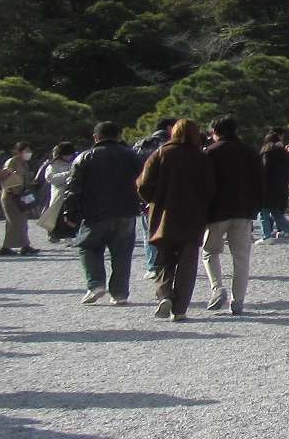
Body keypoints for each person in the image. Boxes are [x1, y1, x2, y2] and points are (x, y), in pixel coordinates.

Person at [137, 118, 215, 322]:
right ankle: (180, 309)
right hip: (193, 216)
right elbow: (210, 189)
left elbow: (143, 184)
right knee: (188, 263)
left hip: (164, 215)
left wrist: (154, 199)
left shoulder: (161, 153)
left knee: (164, 259)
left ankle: (164, 294)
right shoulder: (202, 157)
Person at [70, 121, 143, 305]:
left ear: (96, 137)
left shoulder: (84, 157)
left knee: (88, 247)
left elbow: (73, 189)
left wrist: (70, 213)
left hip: (95, 211)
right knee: (122, 252)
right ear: (119, 136)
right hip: (126, 210)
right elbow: (144, 181)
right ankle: (119, 293)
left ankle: (95, 284)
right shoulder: (132, 156)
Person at [201, 116, 264, 315]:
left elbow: (205, 184)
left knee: (210, 252)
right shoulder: (250, 152)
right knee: (241, 257)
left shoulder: (210, 153)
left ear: (215, 132)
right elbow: (260, 182)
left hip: (217, 211)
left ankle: (217, 288)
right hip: (243, 211)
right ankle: (238, 302)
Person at [134, 117, 174, 282]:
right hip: (169, 195)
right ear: (170, 127)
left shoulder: (140, 145)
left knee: (148, 231)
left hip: (146, 196)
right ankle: (168, 264)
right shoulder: (171, 146)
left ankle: (152, 265)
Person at [0, 142, 41, 256]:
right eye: (26, 151)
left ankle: (18, 246)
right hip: (12, 195)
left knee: (20, 221)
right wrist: (15, 191)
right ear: (18, 151)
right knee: (16, 222)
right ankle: (21, 246)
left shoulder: (24, 164)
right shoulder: (12, 162)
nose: (28, 153)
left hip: (22, 195)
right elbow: (7, 178)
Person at [37, 142, 80, 243]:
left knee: (72, 216)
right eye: (67, 154)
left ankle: (70, 236)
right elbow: (51, 178)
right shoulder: (52, 165)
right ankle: (54, 235)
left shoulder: (74, 163)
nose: (69, 156)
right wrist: (67, 174)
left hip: (72, 195)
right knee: (57, 218)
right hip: (59, 196)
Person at [258, 129, 289, 244]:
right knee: (276, 213)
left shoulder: (266, 152)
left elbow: (263, 170)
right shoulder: (283, 153)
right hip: (280, 187)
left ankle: (266, 236)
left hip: (267, 187)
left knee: (263, 212)